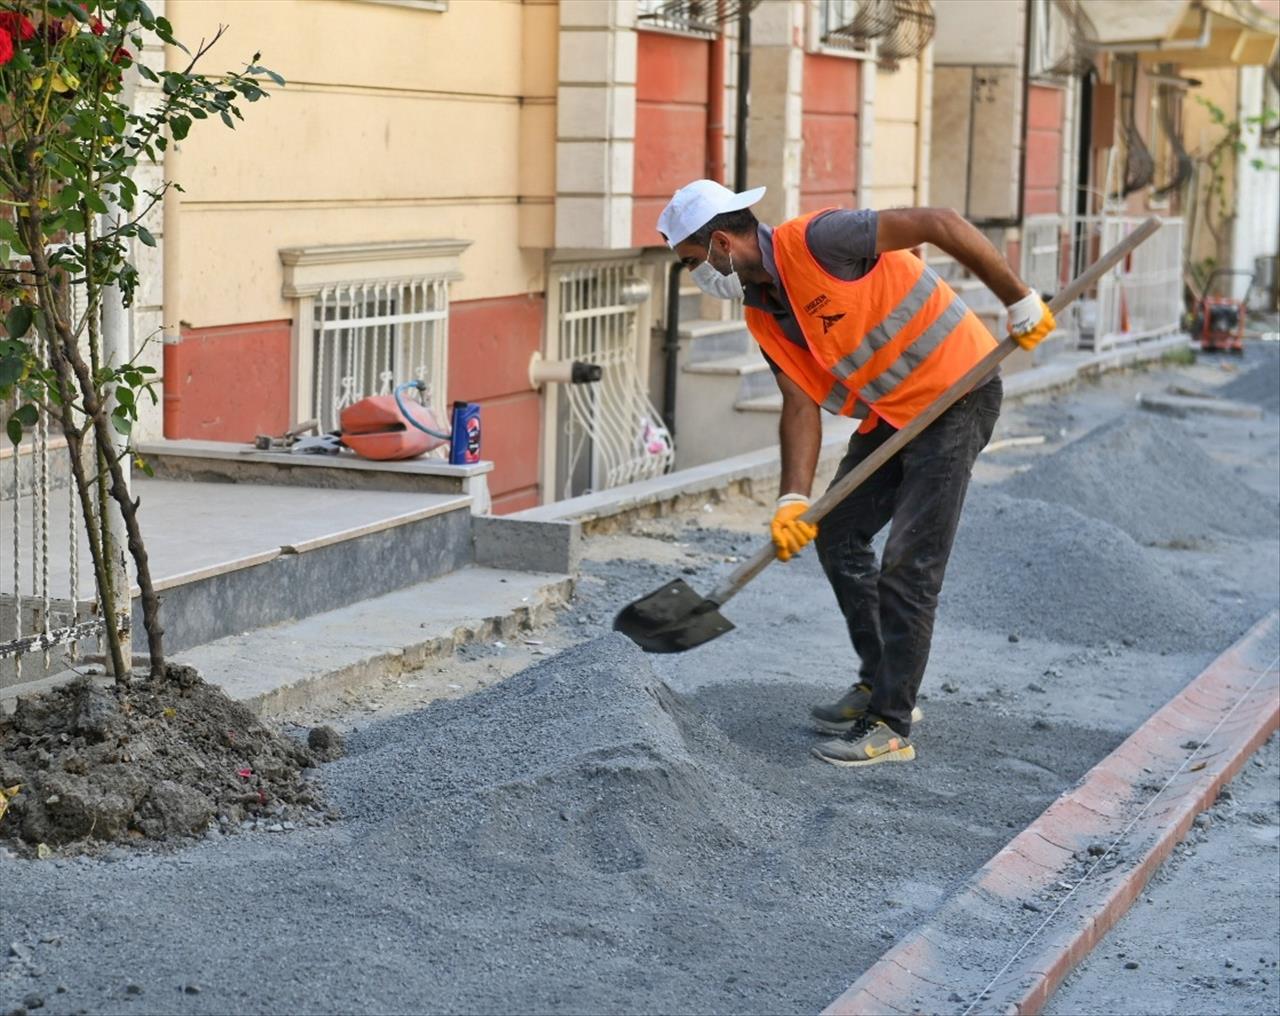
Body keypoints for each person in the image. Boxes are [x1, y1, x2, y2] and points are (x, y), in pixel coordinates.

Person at [656, 180, 1054, 768]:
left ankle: (893, 724)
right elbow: (799, 406)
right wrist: (793, 500)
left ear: (720, 243)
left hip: (957, 396)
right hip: (896, 414)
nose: (695, 277)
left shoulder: (820, 240)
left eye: (692, 262)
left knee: (909, 565)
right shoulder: (764, 314)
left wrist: (1017, 298)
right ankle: (879, 679)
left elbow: (941, 220)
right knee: (838, 531)